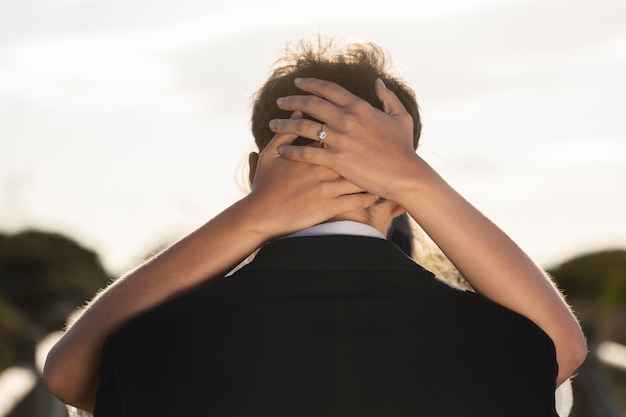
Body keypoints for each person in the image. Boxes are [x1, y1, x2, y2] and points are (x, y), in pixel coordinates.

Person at [43, 37, 587, 416]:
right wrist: (418, 182)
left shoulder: (150, 343)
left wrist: (254, 214)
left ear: (256, 174)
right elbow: (564, 348)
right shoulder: (514, 347)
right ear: (399, 195)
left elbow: (67, 373)